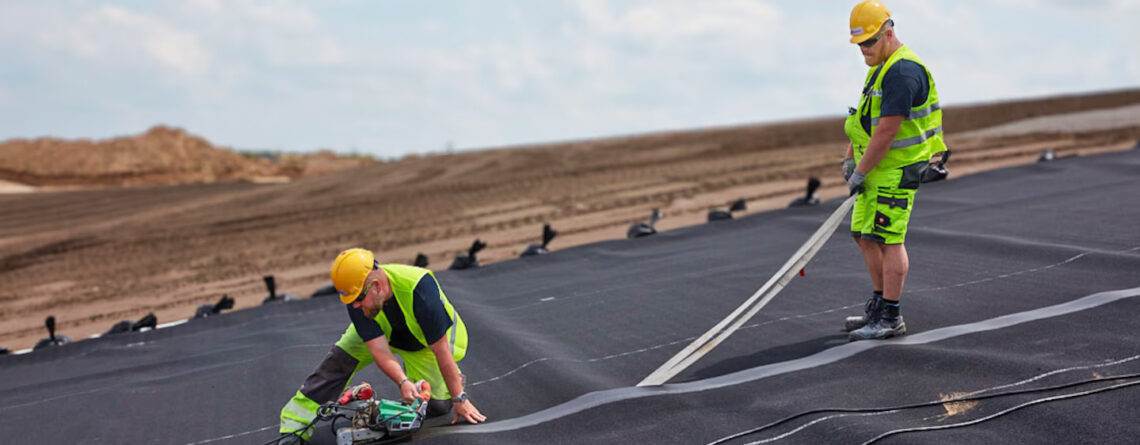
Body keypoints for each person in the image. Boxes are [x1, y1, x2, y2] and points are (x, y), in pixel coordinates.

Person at [279, 248, 486, 442]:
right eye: (351, 301)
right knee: (338, 361)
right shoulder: (357, 298)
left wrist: (461, 399)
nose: (355, 306)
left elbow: (441, 351)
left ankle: (452, 382)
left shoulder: (420, 290)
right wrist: (403, 381)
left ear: (376, 286)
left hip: (425, 345)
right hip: (385, 328)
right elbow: (379, 351)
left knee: (438, 406)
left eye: (359, 299)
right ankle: (294, 426)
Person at [841, 0, 947, 341]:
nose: (864, 50)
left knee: (888, 239)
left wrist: (859, 173)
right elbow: (864, 121)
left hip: (895, 170)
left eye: (869, 42)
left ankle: (890, 316)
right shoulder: (881, 68)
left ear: (889, 32)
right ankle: (877, 304)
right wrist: (849, 159)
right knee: (864, 235)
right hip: (875, 170)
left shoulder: (902, 72)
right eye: (859, 44)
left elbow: (887, 131)